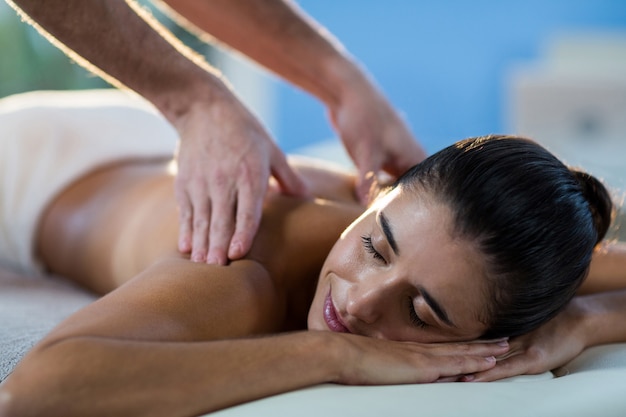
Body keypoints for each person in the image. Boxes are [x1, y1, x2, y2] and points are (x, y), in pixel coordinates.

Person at [0, 90, 625, 416]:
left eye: (422, 316)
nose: (357, 302)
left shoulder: (483, 261)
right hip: (26, 164)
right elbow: (33, 393)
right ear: (380, 190)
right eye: (375, 247)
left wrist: (582, 323)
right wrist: (330, 354)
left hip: (139, 157)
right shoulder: (238, 278)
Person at [6, 0, 427, 267]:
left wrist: (344, 85)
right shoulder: (244, 267)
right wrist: (194, 100)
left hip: (114, 137)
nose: (359, 306)